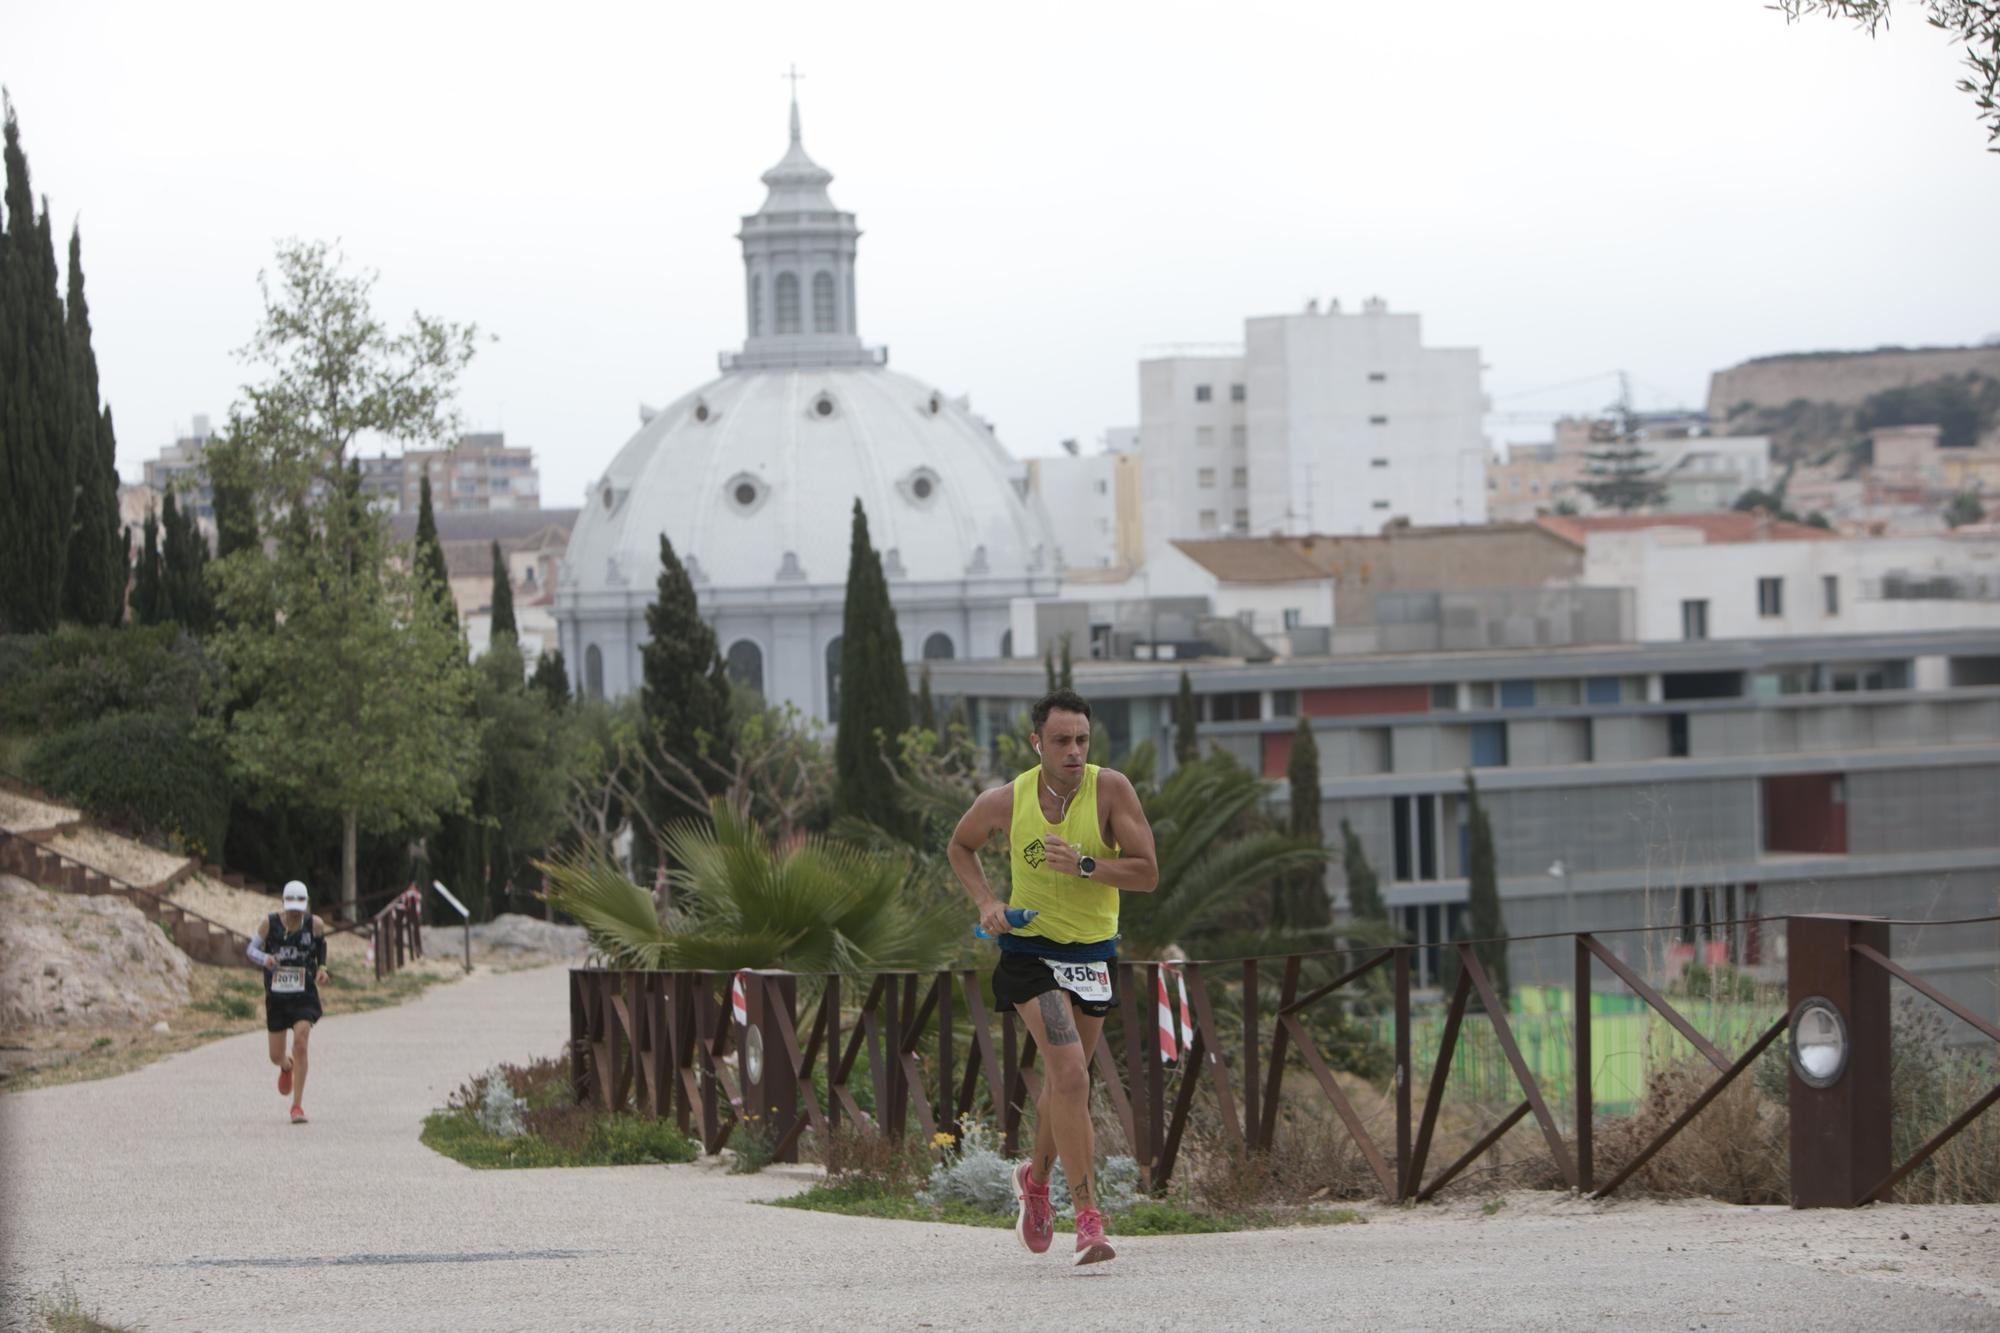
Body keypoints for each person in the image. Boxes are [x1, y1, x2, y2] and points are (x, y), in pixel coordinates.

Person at [948, 688, 1159, 1267]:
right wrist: (988, 902)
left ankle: (1034, 1182)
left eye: (1082, 740)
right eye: (1061, 740)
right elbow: (961, 847)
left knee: (1067, 1087)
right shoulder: (1006, 799)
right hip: (1030, 952)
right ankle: (1089, 1222)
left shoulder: (1110, 789)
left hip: (1093, 955)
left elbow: (1146, 874)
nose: (1073, 751)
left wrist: (1088, 865)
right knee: (1068, 1072)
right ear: (1036, 742)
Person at [247, 880, 329, 1124]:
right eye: (291, 906)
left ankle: (297, 1106)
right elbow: (250, 950)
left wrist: (323, 969)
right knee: (275, 1055)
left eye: (299, 906)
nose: (295, 911)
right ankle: (286, 1066)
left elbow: (320, 947)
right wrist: (265, 959)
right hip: (277, 996)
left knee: (301, 1042)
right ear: (283, 903)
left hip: (304, 994)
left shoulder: (314, 924)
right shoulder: (269, 923)